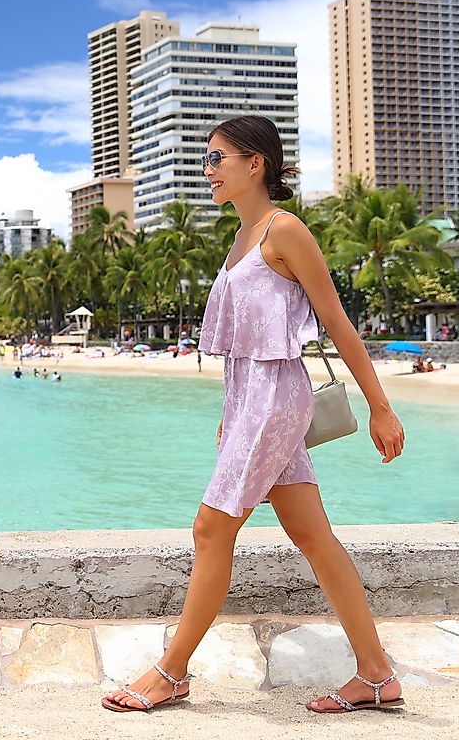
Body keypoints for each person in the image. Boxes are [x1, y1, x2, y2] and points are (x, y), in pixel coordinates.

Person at [102, 114, 406, 716]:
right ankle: (376, 676)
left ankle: (170, 673)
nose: (207, 171)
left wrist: (380, 405)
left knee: (211, 529)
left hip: (275, 401)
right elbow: (243, 345)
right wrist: (231, 413)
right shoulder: (241, 239)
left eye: (217, 159)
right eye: (205, 161)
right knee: (312, 535)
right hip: (252, 402)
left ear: (255, 164)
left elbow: (336, 321)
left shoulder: (284, 230)